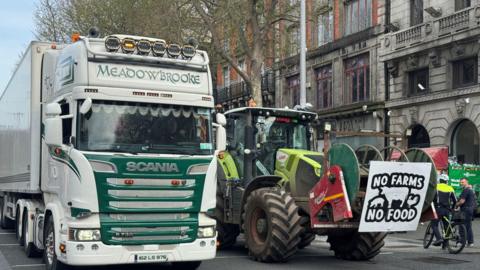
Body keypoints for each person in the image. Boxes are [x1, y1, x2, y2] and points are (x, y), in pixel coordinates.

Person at [432, 174, 457, 247]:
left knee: (434, 224)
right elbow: (455, 201)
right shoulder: (450, 188)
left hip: (438, 209)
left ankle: (439, 239)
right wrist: (452, 209)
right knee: (447, 227)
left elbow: (432, 198)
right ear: (446, 181)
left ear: (439, 180)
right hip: (447, 210)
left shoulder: (436, 187)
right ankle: (445, 244)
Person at [456, 178, 476, 247]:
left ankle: (462, 242)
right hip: (470, 210)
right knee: (468, 226)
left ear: (467, 182)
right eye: (461, 182)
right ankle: (470, 242)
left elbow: (462, 201)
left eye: (463, 182)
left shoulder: (466, 190)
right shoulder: (471, 190)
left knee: (462, 226)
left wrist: (456, 205)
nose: (461, 183)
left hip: (465, 210)